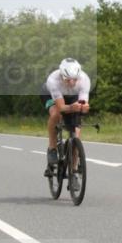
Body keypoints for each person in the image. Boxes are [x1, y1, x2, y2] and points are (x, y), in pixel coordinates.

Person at [40, 58, 91, 188]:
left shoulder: (84, 80)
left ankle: (73, 172)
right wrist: (72, 108)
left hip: (72, 96)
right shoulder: (53, 80)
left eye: (74, 79)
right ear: (62, 76)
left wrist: (83, 107)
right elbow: (62, 107)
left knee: (76, 134)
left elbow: (83, 104)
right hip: (51, 95)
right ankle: (52, 148)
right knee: (56, 114)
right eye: (67, 79)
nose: (71, 82)